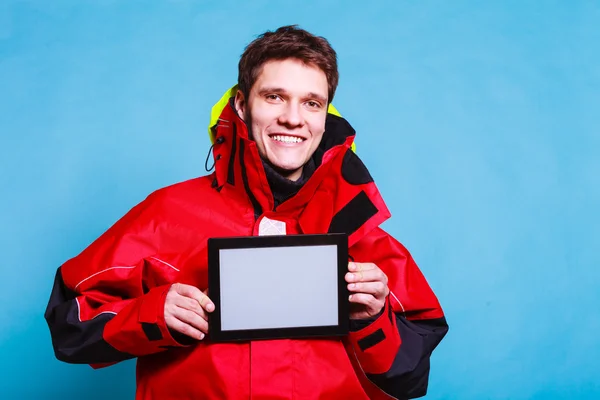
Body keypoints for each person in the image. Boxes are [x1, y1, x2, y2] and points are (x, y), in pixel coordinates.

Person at [45, 25, 448, 399]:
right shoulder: (166, 213)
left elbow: (411, 379)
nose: (292, 117)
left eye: (311, 103)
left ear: (325, 118)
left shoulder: (359, 230)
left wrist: (372, 318)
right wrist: (151, 314)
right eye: (274, 96)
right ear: (241, 104)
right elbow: (69, 324)